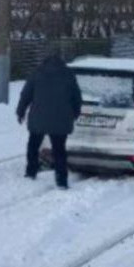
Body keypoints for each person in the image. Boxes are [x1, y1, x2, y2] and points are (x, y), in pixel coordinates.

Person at [16, 53, 83, 189]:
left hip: (38, 118)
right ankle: (61, 180)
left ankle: (31, 172)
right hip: (61, 119)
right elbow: (76, 97)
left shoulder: (37, 73)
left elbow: (26, 94)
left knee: (33, 145)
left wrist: (20, 111)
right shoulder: (68, 74)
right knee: (59, 150)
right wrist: (75, 113)